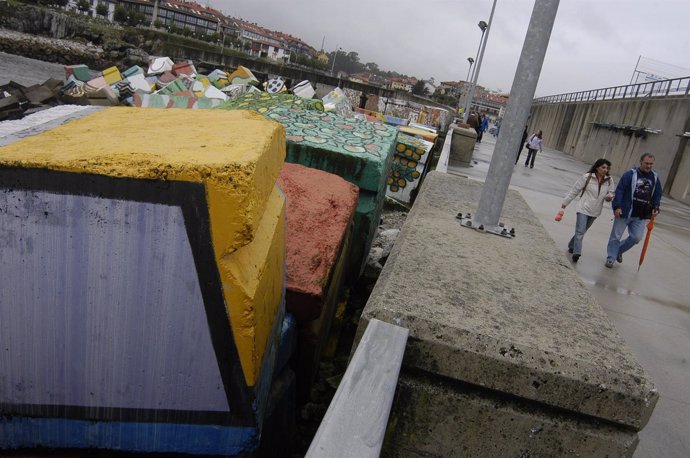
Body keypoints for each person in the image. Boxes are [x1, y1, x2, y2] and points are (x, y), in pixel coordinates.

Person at [605, 153, 662, 268]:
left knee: (636, 238)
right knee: (616, 236)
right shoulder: (630, 175)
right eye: (646, 163)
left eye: (651, 164)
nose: (649, 166)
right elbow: (620, 190)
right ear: (641, 162)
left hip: (640, 215)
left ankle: (618, 251)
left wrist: (656, 206)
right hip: (624, 212)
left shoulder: (654, 178)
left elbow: (657, 194)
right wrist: (617, 207)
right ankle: (611, 257)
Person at [560, 159, 615, 263]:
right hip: (583, 208)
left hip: (595, 210)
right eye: (603, 167)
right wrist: (565, 203)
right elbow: (574, 190)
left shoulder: (609, 180)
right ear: (597, 167)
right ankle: (577, 252)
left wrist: (609, 196)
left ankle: (572, 245)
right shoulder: (587, 177)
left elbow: (611, 192)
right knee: (580, 231)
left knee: (583, 230)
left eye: (607, 168)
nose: (605, 170)